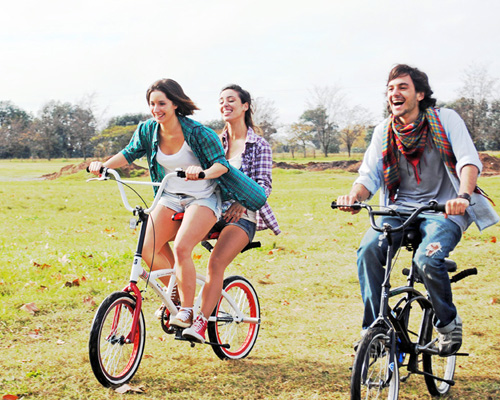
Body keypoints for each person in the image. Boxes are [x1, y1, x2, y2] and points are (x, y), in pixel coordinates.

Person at [336, 64, 499, 356]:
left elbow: (467, 161)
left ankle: (448, 323)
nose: (394, 93)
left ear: (420, 94)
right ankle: (376, 328)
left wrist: (462, 196)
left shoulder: (445, 119)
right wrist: (354, 197)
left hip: (443, 211)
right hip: (398, 210)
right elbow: (369, 175)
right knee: (368, 250)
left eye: (402, 87)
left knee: (427, 259)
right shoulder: (384, 130)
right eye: (390, 89)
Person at [89, 78, 267, 329]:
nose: (156, 109)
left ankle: (186, 310)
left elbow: (220, 165)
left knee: (183, 246)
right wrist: (104, 166)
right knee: (147, 248)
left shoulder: (198, 133)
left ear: (174, 104)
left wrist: (202, 173)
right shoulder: (148, 130)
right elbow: (129, 153)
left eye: (161, 103)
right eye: (152, 104)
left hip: (202, 198)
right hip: (169, 197)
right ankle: (175, 289)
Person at [182, 84, 280, 343]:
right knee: (179, 244)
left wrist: (242, 202)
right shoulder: (214, 141)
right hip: (212, 209)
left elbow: (264, 185)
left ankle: (201, 323)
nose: (225, 104)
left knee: (215, 262)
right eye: (221, 100)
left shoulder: (259, 145)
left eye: (231, 100)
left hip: (242, 216)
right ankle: (180, 303)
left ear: (245, 105)